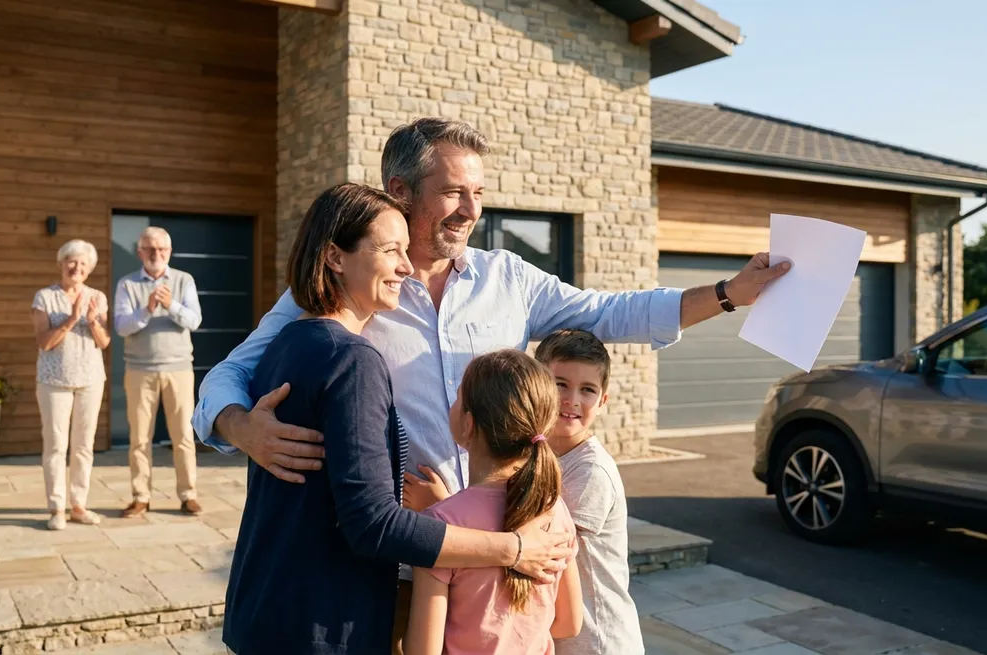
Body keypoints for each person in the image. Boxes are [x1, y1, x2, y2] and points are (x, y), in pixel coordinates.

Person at [193, 117, 788, 644]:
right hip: (398, 567)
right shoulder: (350, 288)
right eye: (453, 191)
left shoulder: (509, 279)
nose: (471, 210)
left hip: (496, 563)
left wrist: (728, 295)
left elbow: (613, 312)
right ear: (399, 191)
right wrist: (238, 425)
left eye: (478, 192)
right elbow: (231, 372)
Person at [223, 183, 573, 655]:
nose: (407, 268)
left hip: (266, 608)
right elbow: (372, 524)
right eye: (390, 251)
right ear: (334, 257)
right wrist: (512, 549)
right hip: (319, 624)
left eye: (406, 251)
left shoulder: (288, 344)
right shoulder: (351, 359)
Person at [404, 349, 583, 655]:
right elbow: (568, 623)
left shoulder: (439, 527)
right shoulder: (555, 510)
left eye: (459, 398)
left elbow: (422, 651)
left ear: (469, 424)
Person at [537, 329, 644, 655]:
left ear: (603, 400)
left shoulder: (590, 471)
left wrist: (446, 511)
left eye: (587, 390)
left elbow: (540, 546)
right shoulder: (539, 454)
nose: (572, 400)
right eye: (560, 384)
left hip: (599, 643)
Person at [113, 226, 203, 517]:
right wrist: (147, 309)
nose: (156, 254)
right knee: (139, 438)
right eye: (150, 249)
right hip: (139, 371)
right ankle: (141, 497)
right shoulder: (127, 285)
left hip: (178, 369)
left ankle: (188, 494)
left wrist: (170, 304)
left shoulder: (183, 280)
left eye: (162, 249)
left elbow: (194, 320)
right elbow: (121, 326)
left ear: (169, 252)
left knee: (183, 436)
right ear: (140, 253)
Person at [31, 239, 112, 531]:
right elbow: (44, 342)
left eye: (82, 264)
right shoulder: (44, 297)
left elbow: (104, 342)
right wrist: (71, 319)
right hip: (54, 381)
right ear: (61, 264)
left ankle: (78, 505)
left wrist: (91, 322)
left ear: (88, 270)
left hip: (90, 380)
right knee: (55, 445)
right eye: (71, 261)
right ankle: (56, 508)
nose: (76, 267)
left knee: (83, 446)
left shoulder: (97, 297)